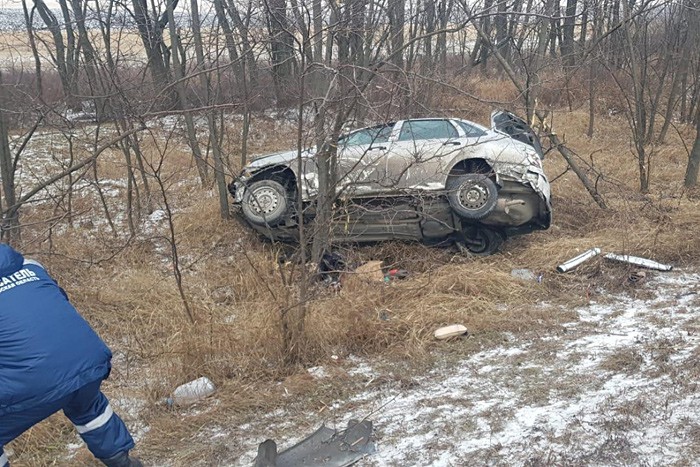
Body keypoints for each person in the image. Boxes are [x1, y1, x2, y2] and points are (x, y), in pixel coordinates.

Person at [0, 244, 142, 467]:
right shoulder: (31, 265)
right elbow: (57, 301)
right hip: (88, 361)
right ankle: (123, 462)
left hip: (35, 380)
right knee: (85, 402)